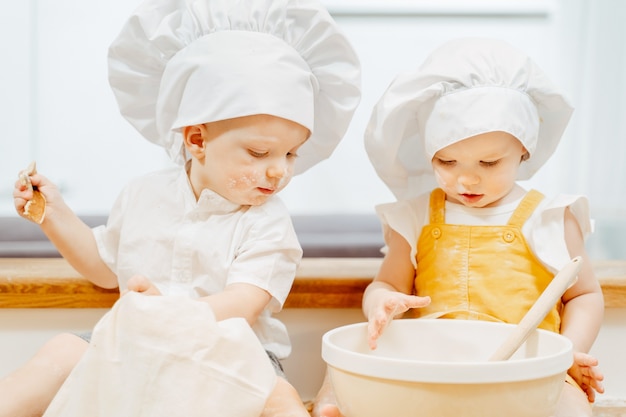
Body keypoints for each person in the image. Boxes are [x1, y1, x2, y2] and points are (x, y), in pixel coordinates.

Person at [6, 0, 360, 416]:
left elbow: (242, 303)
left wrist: (166, 315)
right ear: (196, 141)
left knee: (275, 394)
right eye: (260, 152)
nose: (279, 171)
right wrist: (54, 215)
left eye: (291, 154)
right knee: (62, 351)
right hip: (134, 348)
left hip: (232, 354)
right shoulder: (143, 195)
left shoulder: (267, 221)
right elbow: (104, 265)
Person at [313, 37, 604, 417]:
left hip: (525, 369)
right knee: (340, 375)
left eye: (488, 163)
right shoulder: (416, 215)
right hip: (431, 367)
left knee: (569, 407)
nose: (466, 181)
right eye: (447, 162)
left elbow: (584, 295)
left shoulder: (550, 216)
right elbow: (386, 284)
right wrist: (380, 303)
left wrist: (569, 351)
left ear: (524, 150)